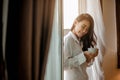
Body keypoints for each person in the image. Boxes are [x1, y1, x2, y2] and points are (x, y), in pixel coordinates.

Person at [64, 13, 99, 80]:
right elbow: (64, 65)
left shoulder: (80, 41)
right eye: (83, 26)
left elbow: (83, 65)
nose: (84, 31)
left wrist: (90, 57)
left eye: (87, 29)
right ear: (75, 23)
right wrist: (83, 56)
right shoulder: (68, 40)